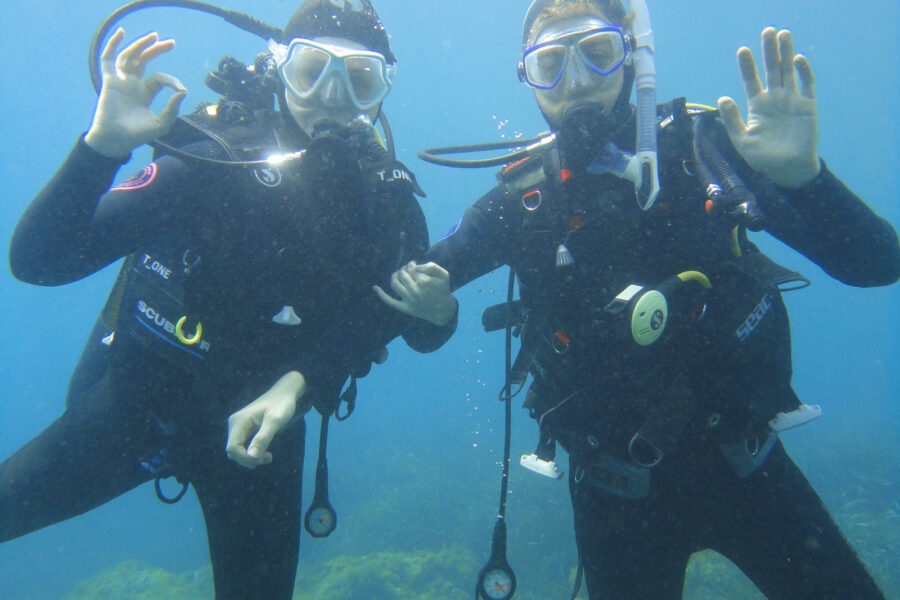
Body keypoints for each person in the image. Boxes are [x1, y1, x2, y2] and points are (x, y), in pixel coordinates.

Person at [379, 0, 900, 598]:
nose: (577, 81)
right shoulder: (521, 201)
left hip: (750, 469)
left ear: (632, 58)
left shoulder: (706, 149)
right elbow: (412, 311)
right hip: (617, 506)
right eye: (550, 65)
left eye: (597, 54)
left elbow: (876, 264)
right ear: (528, 79)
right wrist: (438, 314)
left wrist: (807, 180)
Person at [1, 1, 455, 598]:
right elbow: (40, 263)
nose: (332, 96)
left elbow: (412, 325)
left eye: (360, 78)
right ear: (280, 69)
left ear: (382, 89)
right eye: (311, 70)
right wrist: (101, 148)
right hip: (130, 411)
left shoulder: (386, 205)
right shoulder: (213, 159)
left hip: (260, 444)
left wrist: (441, 313)